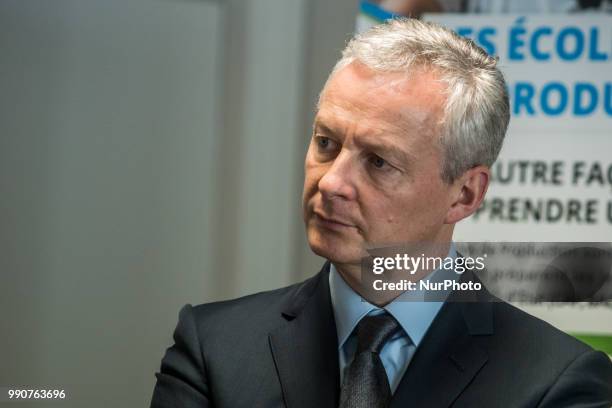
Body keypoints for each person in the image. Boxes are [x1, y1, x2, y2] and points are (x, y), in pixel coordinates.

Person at [150, 18, 612, 408]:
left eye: (378, 162)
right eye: (326, 143)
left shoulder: (558, 383)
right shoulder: (212, 347)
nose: (330, 182)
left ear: (465, 195)